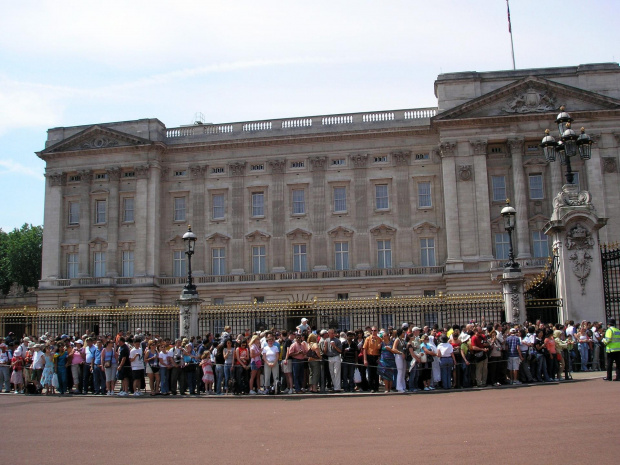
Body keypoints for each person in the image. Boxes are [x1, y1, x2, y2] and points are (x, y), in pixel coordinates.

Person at [363, 327, 382, 393]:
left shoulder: (379, 339)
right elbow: (364, 349)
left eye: (375, 330)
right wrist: (365, 359)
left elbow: (380, 350)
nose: (373, 332)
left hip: (376, 357)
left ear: (377, 331)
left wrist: (379, 358)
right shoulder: (368, 339)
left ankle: (376, 387)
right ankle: (371, 387)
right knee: (370, 373)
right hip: (370, 356)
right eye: (372, 330)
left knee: (376, 373)